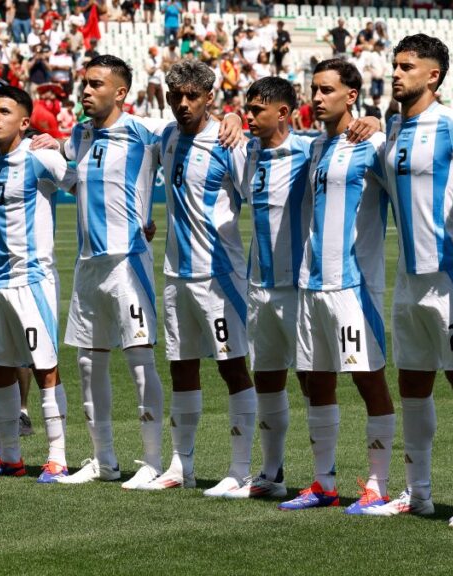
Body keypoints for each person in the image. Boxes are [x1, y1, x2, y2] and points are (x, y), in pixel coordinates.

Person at [356, 34, 453, 521]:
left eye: (407, 67)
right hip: (408, 278)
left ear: (433, 76)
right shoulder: (390, 127)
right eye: (395, 65)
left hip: (450, 274)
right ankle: (419, 492)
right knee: (412, 384)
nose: (396, 73)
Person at [230, 77, 379, 499]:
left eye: (258, 109)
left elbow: (352, 140)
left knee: (315, 378)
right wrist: (226, 116)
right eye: (247, 109)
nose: (249, 117)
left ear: (283, 113)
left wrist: (371, 118)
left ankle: (331, 476)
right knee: (268, 377)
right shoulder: (248, 151)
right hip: (259, 286)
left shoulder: (308, 149)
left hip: (302, 286)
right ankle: (271, 473)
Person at [135, 60, 257, 494]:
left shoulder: (229, 141)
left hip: (219, 276)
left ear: (209, 98)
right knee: (182, 368)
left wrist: (235, 118)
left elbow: (256, 197)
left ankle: (240, 470)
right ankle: (180, 466)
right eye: (175, 97)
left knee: (232, 368)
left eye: (192, 97)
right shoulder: (166, 136)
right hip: (176, 274)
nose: (182, 105)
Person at [278, 58, 394, 513]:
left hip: (353, 286)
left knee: (369, 381)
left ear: (351, 95)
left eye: (327, 90)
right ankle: (324, 482)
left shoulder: (376, 144)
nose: (317, 97)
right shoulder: (314, 148)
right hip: (312, 284)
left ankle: (377, 485)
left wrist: (380, 120)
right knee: (315, 380)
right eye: (314, 89)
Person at [54, 55, 168, 486]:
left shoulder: (147, 131)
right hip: (88, 263)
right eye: (84, 82)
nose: (86, 90)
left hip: (128, 261)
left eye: (96, 84)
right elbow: (72, 180)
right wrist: (49, 151)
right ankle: (103, 461)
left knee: (139, 360)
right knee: (87, 363)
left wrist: (230, 118)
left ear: (120, 92)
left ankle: (154, 462)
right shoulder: (79, 134)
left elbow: (197, 134)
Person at [0, 85, 71, 481]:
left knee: (45, 367)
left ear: (24, 122)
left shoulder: (40, 158)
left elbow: (83, 185)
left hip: (33, 280)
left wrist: (61, 144)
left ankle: (57, 455)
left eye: (3, 112)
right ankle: (7, 456)